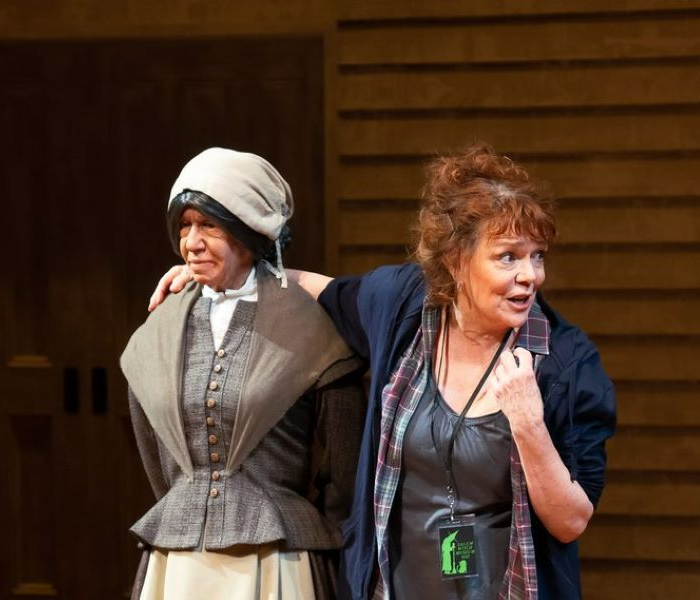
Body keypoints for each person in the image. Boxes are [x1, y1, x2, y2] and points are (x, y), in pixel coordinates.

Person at [150, 143, 616, 600]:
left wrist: (529, 422)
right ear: (455, 261)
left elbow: (571, 520)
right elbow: (318, 289)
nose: (530, 275)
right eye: (508, 257)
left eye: (537, 255)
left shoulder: (564, 363)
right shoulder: (404, 307)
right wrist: (220, 272)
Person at [121, 147, 365, 600]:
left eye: (209, 225)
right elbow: (158, 461)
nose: (191, 241)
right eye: (185, 226)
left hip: (278, 559)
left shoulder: (312, 327)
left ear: (249, 231)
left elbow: (345, 475)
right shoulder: (160, 330)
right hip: (179, 562)